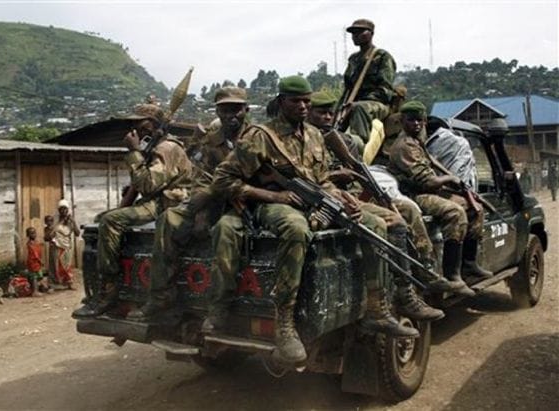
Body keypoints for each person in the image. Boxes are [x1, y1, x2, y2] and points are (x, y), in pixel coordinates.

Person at [213, 76, 418, 364]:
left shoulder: (314, 135)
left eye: (306, 101)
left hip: (315, 201)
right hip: (271, 205)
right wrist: (274, 195)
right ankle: (285, 323)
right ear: (281, 101)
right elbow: (222, 180)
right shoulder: (260, 136)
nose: (303, 106)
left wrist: (343, 199)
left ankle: (376, 309)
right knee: (296, 228)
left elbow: (323, 181)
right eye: (295, 101)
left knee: (376, 224)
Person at [309, 91, 454, 318]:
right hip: (330, 198)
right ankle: (400, 294)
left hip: (354, 194)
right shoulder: (306, 139)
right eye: (321, 113)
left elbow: (356, 169)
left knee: (406, 210)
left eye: (330, 113)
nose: (327, 117)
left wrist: (360, 180)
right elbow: (309, 176)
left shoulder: (341, 140)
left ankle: (425, 269)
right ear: (309, 113)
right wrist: (338, 175)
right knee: (392, 223)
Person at [127, 86, 251, 322]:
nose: (231, 115)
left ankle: (219, 306)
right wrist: (201, 211)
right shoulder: (211, 142)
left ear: (246, 110)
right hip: (212, 201)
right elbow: (201, 177)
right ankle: (161, 295)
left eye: (236, 109)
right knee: (169, 218)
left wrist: (215, 195)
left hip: (243, 202)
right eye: (225, 110)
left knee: (225, 230)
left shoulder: (257, 138)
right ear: (218, 111)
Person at [72, 104, 193, 317]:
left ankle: (108, 291)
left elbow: (147, 185)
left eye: (140, 123)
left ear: (154, 125)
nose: (134, 129)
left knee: (111, 221)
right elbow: (140, 185)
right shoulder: (154, 146)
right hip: (157, 201)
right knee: (105, 219)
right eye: (132, 124)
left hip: (169, 204)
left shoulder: (166, 148)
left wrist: (134, 153)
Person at [388, 101, 492, 292]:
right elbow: (427, 182)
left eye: (420, 120)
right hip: (414, 194)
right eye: (411, 120)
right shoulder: (404, 146)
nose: (416, 124)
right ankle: (452, 275)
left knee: (475, 208)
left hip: (429, 190)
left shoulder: (417, 141)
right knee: (455, 212)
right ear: (402, 121)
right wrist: (451, 178)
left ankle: (468, 264)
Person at [339, 19, 396, 150]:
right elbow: (347, 89)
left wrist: (359, 102)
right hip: (353, 103)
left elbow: (385, 90)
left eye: (360, 32)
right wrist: (339, 109)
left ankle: (358, 147)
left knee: (360, 108)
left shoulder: (382, 56)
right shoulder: (353, 59)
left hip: (377, 104)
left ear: (371, 33)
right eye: (353, 33)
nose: (355, 36)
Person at [53, 199, 80, 290]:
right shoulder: (56, 220)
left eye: (65, 209)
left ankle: (69, 283)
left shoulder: (70, 221)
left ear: (68, 210)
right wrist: (61, 221)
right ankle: (60, 282)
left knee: (67, 265)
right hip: (58, 245)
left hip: (67, 246)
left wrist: (73, 222)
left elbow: (77, 233)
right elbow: (53, 231)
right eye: (61, 209)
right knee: (59, 264)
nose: (63, 211)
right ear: (59, 210)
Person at [25, 227, 45, 296]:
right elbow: (35, 254)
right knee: (34, 277)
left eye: (34, 233)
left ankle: (37, 289)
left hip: (36, 262)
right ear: (28, 235)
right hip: (33, 262)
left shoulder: (35, 242)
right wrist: (40, 261)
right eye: (31, 233)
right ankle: (35, 291)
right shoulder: (30, 244)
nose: (34, 235)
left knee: (38, 276)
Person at [43, 215, 56, 284]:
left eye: (50, 221)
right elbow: (46, 238)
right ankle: (52, 278)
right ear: (45, 222)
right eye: (47, 221)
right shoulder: (46, 229)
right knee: (51, 263)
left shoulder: (55, 228)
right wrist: (50, 236)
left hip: (56, 246)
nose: (49, 222)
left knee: (57, 262)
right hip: (50, 246)